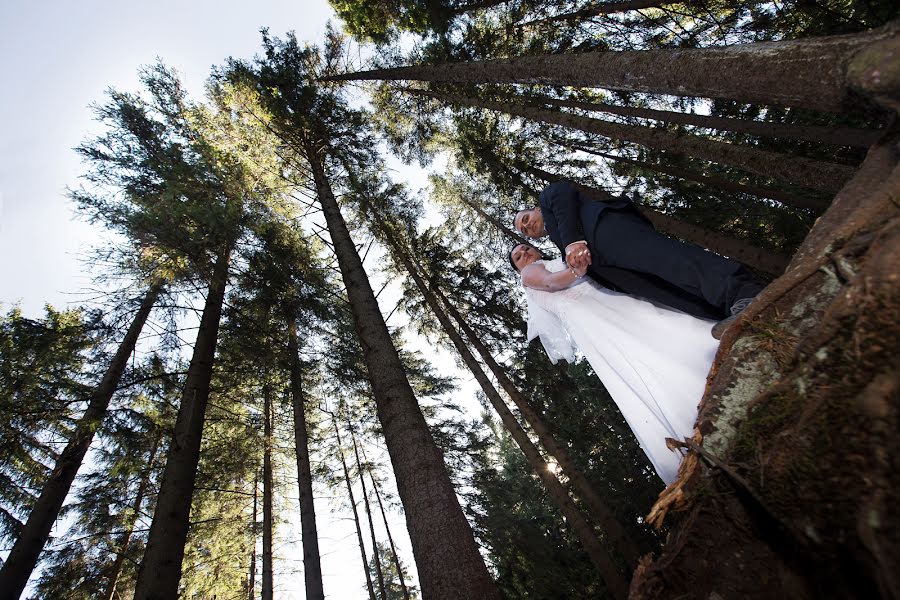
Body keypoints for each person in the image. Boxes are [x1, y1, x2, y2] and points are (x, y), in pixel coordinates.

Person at [509, 241, 719, 485]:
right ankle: (707, 359)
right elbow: (551, 282)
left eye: (525, 248)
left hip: (601, 301)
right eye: (518, 257)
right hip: (590, 314)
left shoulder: (552, 259)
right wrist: (577, 270)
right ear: (518, 268)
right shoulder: (529, 273)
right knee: (642, 340)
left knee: (647, 333)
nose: (524, 254)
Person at [514, 181, 765, 337]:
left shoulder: (549, 199)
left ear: (535, 210)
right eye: (524, 230)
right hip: (613, 271)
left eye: (526, 219)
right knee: (668, 291)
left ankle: (742, 292)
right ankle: (724, 314)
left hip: (609, 233)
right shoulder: (558, 245)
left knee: (672, 261)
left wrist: (573, 242)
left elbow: (562, 192)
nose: (528, 226)